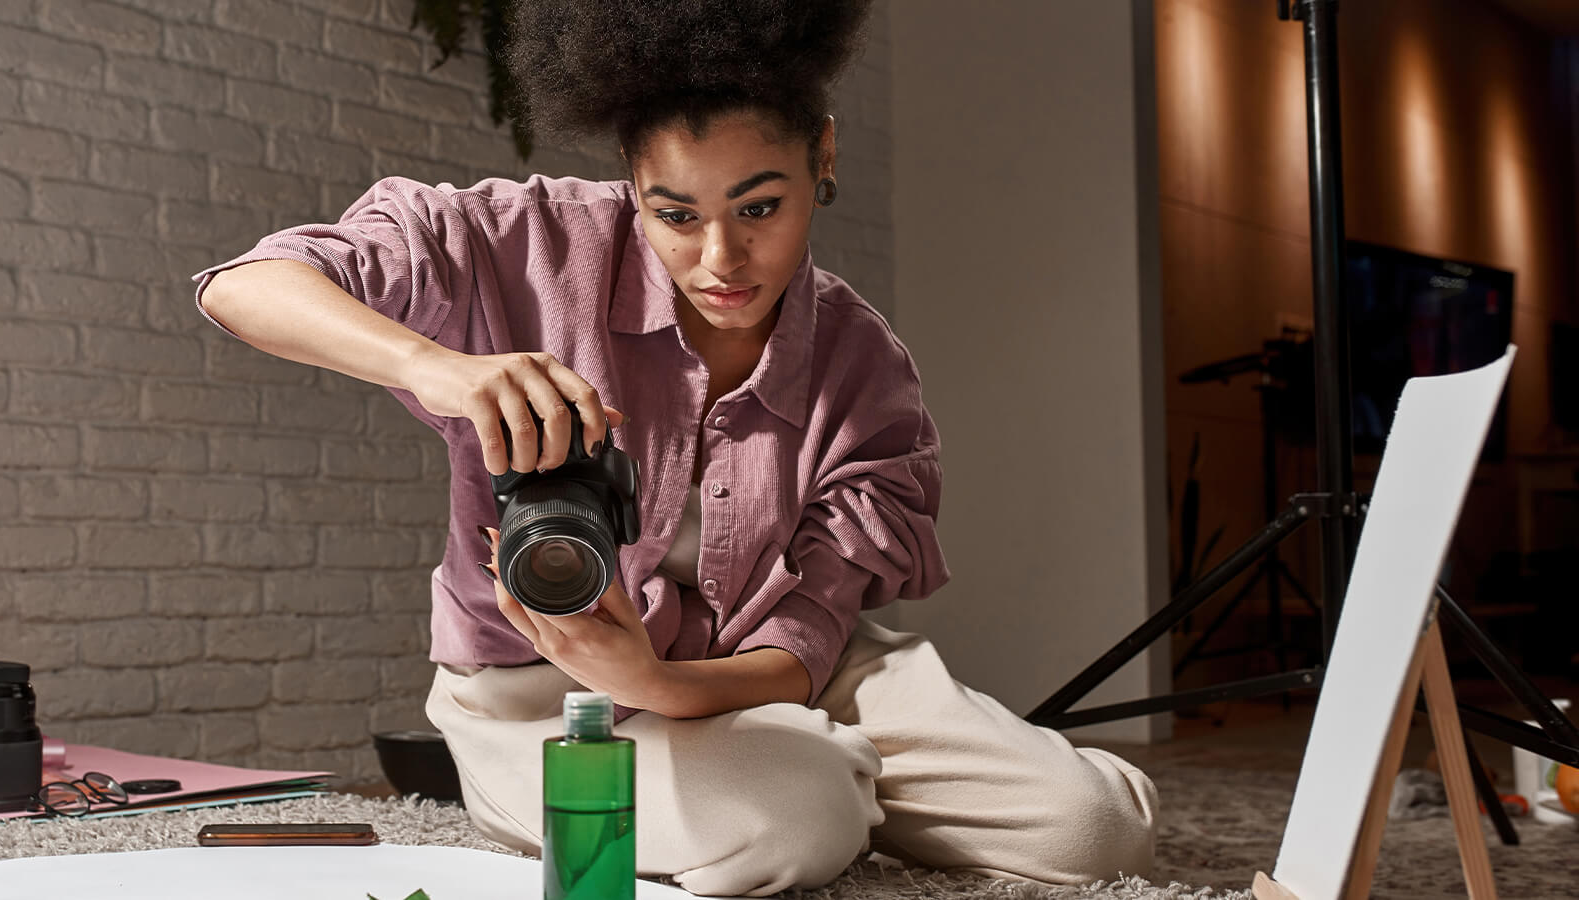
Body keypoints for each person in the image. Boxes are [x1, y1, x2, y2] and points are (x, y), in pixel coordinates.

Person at [193, 0, 1156, 894]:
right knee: (794, 815)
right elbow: (247, 284)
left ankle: (803, 762)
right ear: (630, 176)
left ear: (822, 152)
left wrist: (659, 684)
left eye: (760, 208)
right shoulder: (519, 241)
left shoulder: (864, 365)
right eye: (676, 214)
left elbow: (807, 636)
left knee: (1091, 829)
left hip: (780, 670)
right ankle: (802, 776)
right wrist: (440, 368)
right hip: (547, 689)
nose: (721, 262)